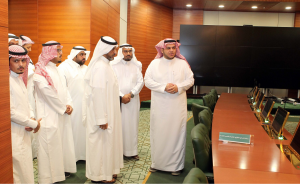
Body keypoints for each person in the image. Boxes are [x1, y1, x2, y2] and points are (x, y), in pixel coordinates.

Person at [144, 38, 194, 176]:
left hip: (177, 107)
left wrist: (179, 87)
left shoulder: (182, 64)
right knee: (158, 134)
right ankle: (157, 163)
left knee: (176, 134)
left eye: (174, 48)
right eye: (168, 48)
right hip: (159, 107)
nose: (171, 50)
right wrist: (163, 87)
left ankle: (175, 166)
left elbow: (190, 80)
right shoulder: (154, 63)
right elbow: (147, 81)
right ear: (162, 49)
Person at [33, 41, 76, 183]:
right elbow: (48, 94)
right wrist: (63, 108)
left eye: (60, 50)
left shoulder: (56, 70)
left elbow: (65, 90)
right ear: (48, 52)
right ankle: (46, 179)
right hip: (48, 116)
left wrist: (69, 104)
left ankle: (58, 175)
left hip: (60, 114)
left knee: (58, 147)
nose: (61, 53)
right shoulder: (40, 72)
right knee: (48, 148)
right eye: (57, 51)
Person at [84, 36, 123, 183]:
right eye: (113, 49)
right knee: (100, 145)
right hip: (101, 114)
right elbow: (98, 94)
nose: (115, 52)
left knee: (107, 144)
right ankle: (99, 176)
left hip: (109, 112)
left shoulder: (106, 65)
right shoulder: (100, 67)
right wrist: (101, 118)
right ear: (105, 49)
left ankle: (108, 172)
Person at [9, 45, 41, 183]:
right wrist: (33, 123)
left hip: (25, 131)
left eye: (23, 61)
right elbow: (10, 112)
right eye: (16, 61)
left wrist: (32, 116)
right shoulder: (6, 81)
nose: (21, 65)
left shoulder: (18, 78)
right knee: (17, 171)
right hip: (13, 133)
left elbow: (26, 102)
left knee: (25, 167)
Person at [111, 43, 144, 160]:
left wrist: (131, 94)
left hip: (132, 100)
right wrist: (121, 96)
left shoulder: (136, 65)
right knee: (118, 125)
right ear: (121, 52)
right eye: (125, 51)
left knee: (132, 125)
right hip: (117, 100)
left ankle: (131, 151)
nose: (128, 53)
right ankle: (119, 152)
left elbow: (140, 82)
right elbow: (112, 83)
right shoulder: (113, 65)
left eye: (130, 51)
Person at [58, 46, 90, 161]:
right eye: (81, 54)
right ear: (74, 55)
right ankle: (72, 159)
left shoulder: (86, 68)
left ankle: (84, 156)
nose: (84, 57)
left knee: (84, 130)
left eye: (85, 54)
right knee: (71, 132)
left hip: (85, 106)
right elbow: (61, 88)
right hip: (71, 107)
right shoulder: (63, 67)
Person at [19, 35, 38, 158]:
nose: (29, 50)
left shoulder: (29, 59)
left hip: (30, 92)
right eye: (27, 47)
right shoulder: (20, 61)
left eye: (30, 47)